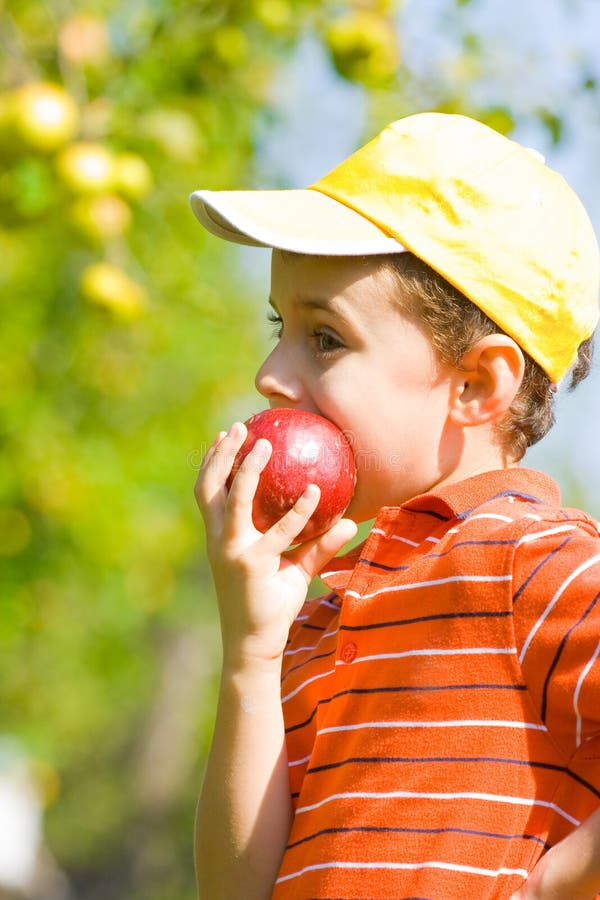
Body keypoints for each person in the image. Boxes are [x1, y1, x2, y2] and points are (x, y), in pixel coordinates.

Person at [189, 112, 600, 899]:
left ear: (477, 385)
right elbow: (235, 889)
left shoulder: (533, 564)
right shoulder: (322, 615)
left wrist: (558, 885)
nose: (270, 373)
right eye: (280, 325)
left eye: (326, 338)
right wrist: (250, 652)